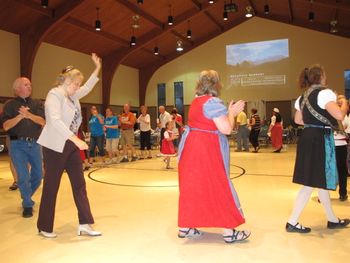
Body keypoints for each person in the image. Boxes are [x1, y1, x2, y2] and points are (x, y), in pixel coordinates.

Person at [178, 70, 250, 243]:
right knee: (218, 185)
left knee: (194, 186)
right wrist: (231, 113)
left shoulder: (196, 101)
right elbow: (225, 129)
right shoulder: (213, 102)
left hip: (191, 148)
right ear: (216, 85)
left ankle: (186, 227)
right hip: (206, 150)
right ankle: (228, 232)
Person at [37, 53, 102, 238]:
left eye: (78, 85)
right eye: (76, 84)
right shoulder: (54, 95)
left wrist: (97, 68)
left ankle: (85, 223)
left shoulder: (73, 96)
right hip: (54, 146)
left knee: (79, 185)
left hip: (70, 145)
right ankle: (44, 226)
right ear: (67, 81)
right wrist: (76, 139)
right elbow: (55, 121)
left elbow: (88, 86)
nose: (78, 88)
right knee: (51, 186)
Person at [286, 65, 350, 233]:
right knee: (310, 183)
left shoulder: (302, 97)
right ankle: (292, 221)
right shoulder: (325, 93)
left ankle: (332, 219)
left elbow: (298, 120)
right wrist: (344, 103)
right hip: (320, 139)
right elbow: (339, 115)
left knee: (319, 182)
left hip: (307, 137)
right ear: (321, 76)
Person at [1, 77, 45, 218]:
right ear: (17, 88)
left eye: (30, 84)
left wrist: (28, 114)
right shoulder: (10, 105)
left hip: (35, 144)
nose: (30, 86)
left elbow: (43, 121)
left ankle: (26, 195)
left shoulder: (37, 103)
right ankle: (27, 204)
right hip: (17, 144)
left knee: (39, 175)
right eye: (26, 84)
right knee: (23, 176)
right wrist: (20, 117)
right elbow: (6, 126)